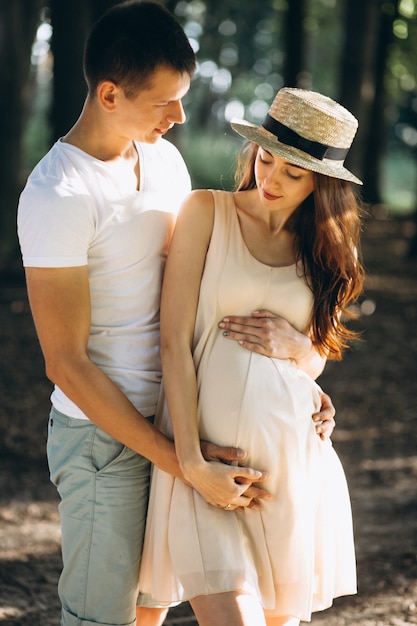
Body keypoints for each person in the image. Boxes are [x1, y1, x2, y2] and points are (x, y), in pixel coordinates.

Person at [17, 3, 336, 625]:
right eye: (166, 101)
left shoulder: (163, 161)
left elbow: (203, 298)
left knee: (149, 609)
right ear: (109, 93)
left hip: (182, 418)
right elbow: (67, 364)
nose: (181, 116)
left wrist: (299, 375)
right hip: (104, 438)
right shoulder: (59, 194)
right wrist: (184, 463)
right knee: (101, 618)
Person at [138, 87, 364, 626]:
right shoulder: (205, 213)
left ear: (321, 184)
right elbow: (173, 341)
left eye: (293, 173)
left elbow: (309, 361)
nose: (271, 180)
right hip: (206, 460)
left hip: (288, 467)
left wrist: (303, 352)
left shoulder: (323, 253)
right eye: (267, 160)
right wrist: (191, 461)